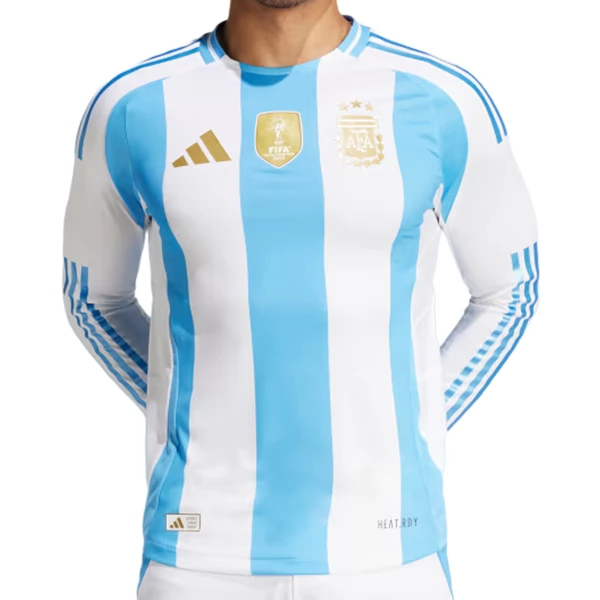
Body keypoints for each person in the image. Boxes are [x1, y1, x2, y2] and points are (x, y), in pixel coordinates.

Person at [62, 0, 539, 598]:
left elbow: (509, 289)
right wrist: (192, 409)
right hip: (197, 555)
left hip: (387, 555)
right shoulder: (134, 107)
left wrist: (406, 422)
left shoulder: (441, 100)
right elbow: (93, 298)